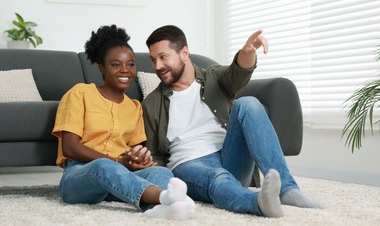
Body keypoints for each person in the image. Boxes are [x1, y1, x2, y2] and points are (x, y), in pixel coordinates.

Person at [141, 25, 323, 218]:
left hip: (230, 157)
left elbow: (238, 72)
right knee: (217, 177)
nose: (157, 66)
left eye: (163, 57)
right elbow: (155, 156)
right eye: (153, 60)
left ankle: (287, 190)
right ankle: (258, 203)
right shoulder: (151, 104)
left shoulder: (212, 77)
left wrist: (247, 52)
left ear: (184, 53)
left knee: (248, 104)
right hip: (188, 165)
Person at [52, 24, 195, 221]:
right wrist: (118, 162)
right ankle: (163, 198)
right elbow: (69, 147)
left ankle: (159, 210)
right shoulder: (80, 93)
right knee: (102, 165)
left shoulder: (135, 107)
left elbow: (135, 151)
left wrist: (139, 159)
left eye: (130, 64)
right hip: (80, 176)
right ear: (102, 68)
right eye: (116, 64)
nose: (125, 70)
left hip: (119, 180)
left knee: (160, 172)